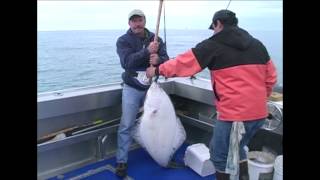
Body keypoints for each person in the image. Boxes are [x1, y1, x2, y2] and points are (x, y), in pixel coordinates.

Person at [146, 9, 277, 180]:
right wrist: (258, 100)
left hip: (235, 116)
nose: (213, 31)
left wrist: (157, 70)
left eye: (213, 27)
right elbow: (271, 77)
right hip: (259, 113)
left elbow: (183, 63)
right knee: (239, 148)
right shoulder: (258, 45)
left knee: (219, 156)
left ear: (218, 24)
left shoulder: (213, 44)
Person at [115, 9, 169, 177]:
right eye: (134, 21)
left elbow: (167, 60)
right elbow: (126, 62)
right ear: (129, 23)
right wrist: (147, 51)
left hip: (152, 88)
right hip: (132, 88)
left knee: (160, 123)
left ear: (145, 21)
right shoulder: (123, 41)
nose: (137, 23)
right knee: (127, 124)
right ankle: (122, 161)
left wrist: (159, 60)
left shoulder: (157, 39)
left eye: (140, 20)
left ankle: (159, 153)